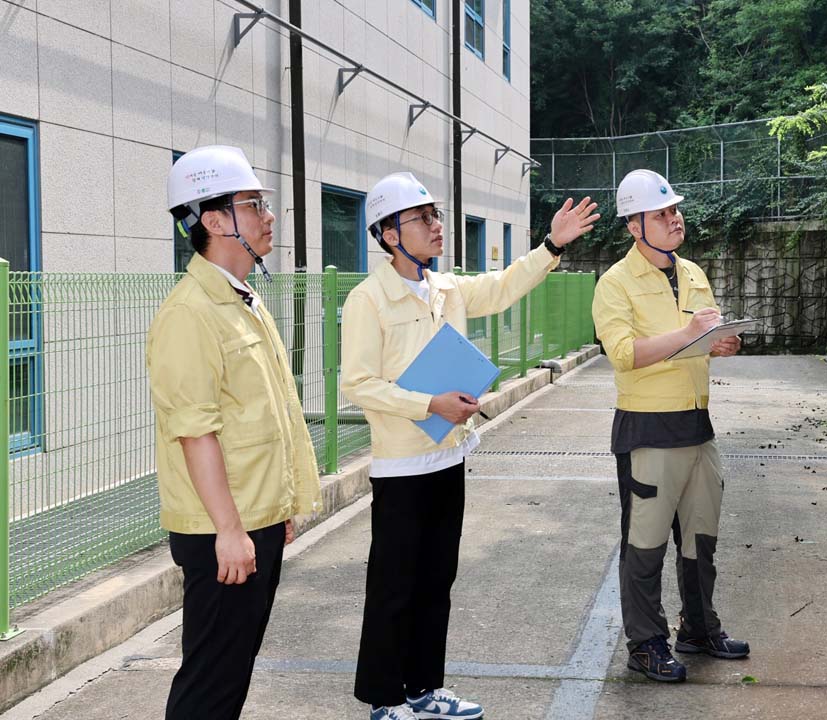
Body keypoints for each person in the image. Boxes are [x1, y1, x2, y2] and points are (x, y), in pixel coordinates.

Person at [340, 171, 599, 720]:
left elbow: (503, 286)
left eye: (435, 215)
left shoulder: (446, 288)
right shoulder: (368, 299)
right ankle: (385, 698)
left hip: (448, 456)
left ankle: (423, 688)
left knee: (437, 580)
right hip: (402, 466)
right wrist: (429, 403)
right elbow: (358, 384)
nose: (436, 226)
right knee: (394, 587)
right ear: (389, 234)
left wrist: (551, 246)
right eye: (422, 218)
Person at [147, 145, 322, 719]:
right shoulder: (190, 312)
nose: (269, 217)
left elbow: (265, 415)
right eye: (253, 205)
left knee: (231, 671)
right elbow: (195, 432)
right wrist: (229, 529)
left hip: (253, 518)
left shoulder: (241, 299)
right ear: (215, 220)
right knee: (211, 681)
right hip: (221, 529)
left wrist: (278, 506)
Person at [591, 169, 749, 683]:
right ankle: (645, 643)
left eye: (674, 210)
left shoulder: (694, 273)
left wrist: (721, 343)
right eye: (660, 214)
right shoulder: (615, 283)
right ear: (634, 225)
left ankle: (699, 629)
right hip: (648, 429)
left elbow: (702, 340)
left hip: (698, 425)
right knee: (645, 545)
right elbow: (622, 353)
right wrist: (687, 334)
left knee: (701, 539)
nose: (674, 218)